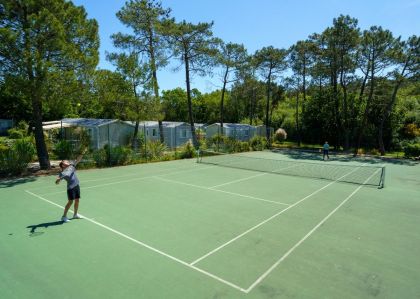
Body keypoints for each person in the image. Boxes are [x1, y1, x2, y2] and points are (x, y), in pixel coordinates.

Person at [55, 149, 87, 222]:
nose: (68, 162)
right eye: (66, 161)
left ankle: (75, 215)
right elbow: (57, 182)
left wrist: (82, 152)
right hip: (71, 188)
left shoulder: (72, 166)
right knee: (70, 202)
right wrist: (58, 180)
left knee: (77, 200)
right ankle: (64, 216)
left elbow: (78, 160)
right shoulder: (62, 173)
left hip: (76, 185)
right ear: (63, 165)